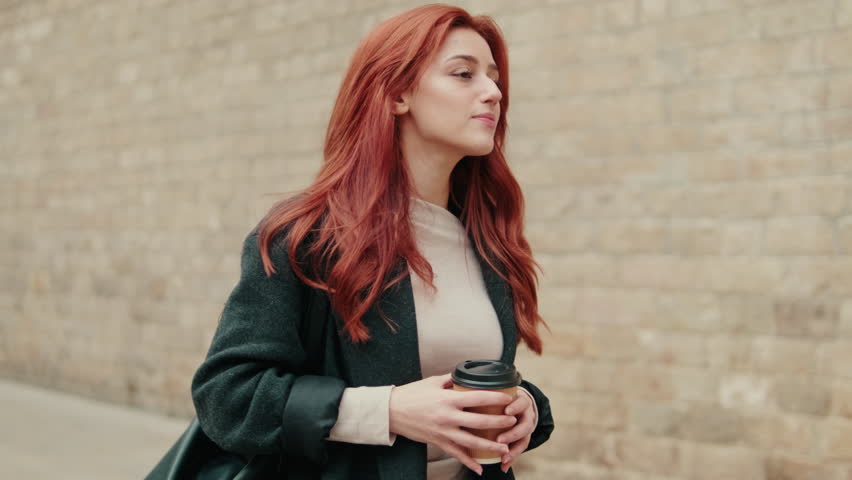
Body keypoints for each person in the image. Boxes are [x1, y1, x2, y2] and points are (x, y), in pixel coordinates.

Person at [190, 4, 554, 479]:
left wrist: (525, 404)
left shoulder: (488, 240)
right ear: (397, 94)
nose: (493, 92)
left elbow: (467, 381)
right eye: (464, 74)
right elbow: (228, 396)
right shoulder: (305, 237)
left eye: (494, 77)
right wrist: (386, 410)